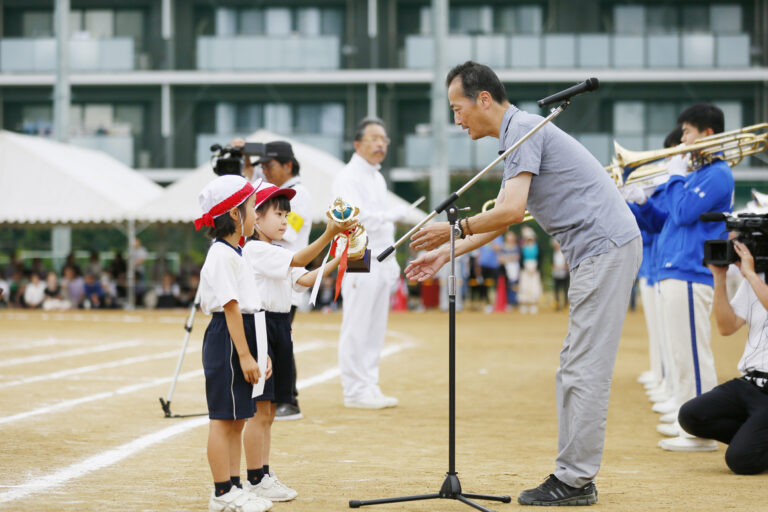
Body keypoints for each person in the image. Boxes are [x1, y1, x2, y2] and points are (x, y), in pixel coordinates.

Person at [406, 61, 641, 505]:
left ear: (484, 100)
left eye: (458, 109)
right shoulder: (520, 131)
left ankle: (574, 481)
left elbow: (510, 212)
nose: (456, 120)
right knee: (576, 364)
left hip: (605, 248)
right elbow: (507, 213)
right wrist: (445, 252)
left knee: (583, 368)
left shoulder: (523, 130)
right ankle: (575, 476)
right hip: (601, 250)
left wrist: (453, 230)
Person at [626, 104, 734, 451]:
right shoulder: (696, 174)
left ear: (708, 134)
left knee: (693, 356)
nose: (681, 139)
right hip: (676, 268)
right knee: (680, 353)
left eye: (687, 131)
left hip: (690, 270)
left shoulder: (718, 174)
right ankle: (689, 419)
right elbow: (664, 222)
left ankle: (701, 432)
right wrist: (641, 202)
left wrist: (673, 176)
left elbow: (685, 213)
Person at [241, 181, 353, 502]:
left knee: (271, 410)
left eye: (287, 215)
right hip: (261, 325)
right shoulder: (255, 249)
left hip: (278, 326)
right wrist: (330, 234)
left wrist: (342, 258)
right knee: (260, 411)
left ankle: (262, 472)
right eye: (277, 214)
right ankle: (255, 477)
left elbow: (303, 278)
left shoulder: (277, 252)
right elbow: (298, 262)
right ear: (256, 218)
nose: (284, 221)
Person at [194, 174, 273, 512]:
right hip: (228, 339)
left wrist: (259, 353)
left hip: (241, 334)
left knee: (238, 418)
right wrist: (244, 355)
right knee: (223, 418)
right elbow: (229, 306)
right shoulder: (221, 255)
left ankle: (235, 484)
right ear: (235, 214)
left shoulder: (235, 252)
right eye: (253, 207)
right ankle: (221, 492)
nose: (256, 214)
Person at [332, 117, 407, 409]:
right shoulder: (348, 176)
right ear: (357, 144)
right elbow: (350, 216)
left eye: (383, 139)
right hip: (358, 252)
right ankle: (354, 389)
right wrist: (389, 217)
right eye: (374, 138)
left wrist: (392, 260)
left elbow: (379, 220)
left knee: (376, 324)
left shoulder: (376, 176)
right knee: (357, 322)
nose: (380, 144)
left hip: (381, 254)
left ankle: (369, 384)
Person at [676, 241, 768, 471]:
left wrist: (749, 274)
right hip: (751, 383)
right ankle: (753, 440)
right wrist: (720, 277)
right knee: (691, 415)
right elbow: (727, 326)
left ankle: (750, 444)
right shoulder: (757, 279)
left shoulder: (754, 278)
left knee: (741, 460)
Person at [255, 141, 313, 421]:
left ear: (287, 165)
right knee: (275, 340)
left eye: (270, 166)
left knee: (280, 340)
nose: (264, 170)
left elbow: (289, 232)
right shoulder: (280, 192)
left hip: (288, 277)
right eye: (262, 166)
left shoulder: (299, 194)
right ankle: (282, 398)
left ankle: (288, 399)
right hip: (276, 276)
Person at [518, 227, 542, 314]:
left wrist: (536, 269)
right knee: (525, 286)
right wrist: (525, 268)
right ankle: (524, 305)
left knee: (534, 286)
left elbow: (540, 259)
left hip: (534, 269)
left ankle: (533, 305)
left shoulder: (537, 247)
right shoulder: (523, 247)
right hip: (525, 269)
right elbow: (521, 259)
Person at [551, 240, 569, 311]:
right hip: (556, 274)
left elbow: (567, 263)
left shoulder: (565, 253)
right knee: (556, 290)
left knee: (565, 289)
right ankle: (557, 304)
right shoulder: (552, 253)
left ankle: (565, 304)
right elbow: (551, 262)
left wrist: (563, 267)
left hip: (564, 273)